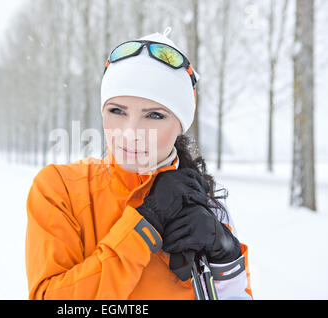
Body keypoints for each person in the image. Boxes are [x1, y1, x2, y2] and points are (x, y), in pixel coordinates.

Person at [25, 27, 253, 300]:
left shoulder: (204, 201)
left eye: (154, 116)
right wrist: (144, 225)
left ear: (180, 124)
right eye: (117, 111)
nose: (130, 132)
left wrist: (226, 257)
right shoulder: (61, 190)